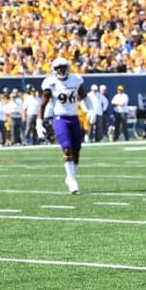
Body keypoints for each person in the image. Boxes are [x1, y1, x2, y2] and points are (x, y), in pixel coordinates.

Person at [36, 57, 87, 194]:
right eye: (58, 68)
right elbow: (43, 104)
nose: (61, 70)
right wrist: (39, 121)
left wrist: (90, 110)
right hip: (60, 118)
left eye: (63, 67)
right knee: (67, 148)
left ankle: (71, 176)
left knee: (77, 150)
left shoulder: (76, 79)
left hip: (74, 118)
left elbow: (83, 96)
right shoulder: (50, 83)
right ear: (54, 70)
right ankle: (71, 180)